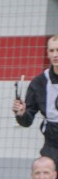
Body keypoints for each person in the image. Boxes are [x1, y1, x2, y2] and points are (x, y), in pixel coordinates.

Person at [12, 34, 58, 163]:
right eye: (52, 50)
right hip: (52, 145)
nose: (55, 54)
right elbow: (27, 121)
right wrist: (20, 114)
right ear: (47, 53)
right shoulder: (39, 83)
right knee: (47, 178)